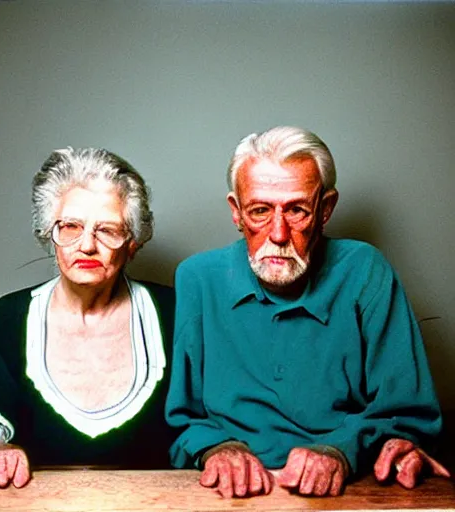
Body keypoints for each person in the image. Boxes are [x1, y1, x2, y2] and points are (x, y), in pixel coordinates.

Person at [165, 126, 450, 498]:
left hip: (346, 489)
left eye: (297, 210)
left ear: (325, 209)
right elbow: (182, 421)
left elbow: (409, 414)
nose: (279, 233)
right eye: (260, 211)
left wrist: (338, 451)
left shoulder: (365, 269)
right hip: (227, 493)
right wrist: (219, 449)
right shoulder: (197, 278)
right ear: (236, 212)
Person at [0, 147, 175, 490]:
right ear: (48, 233)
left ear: (132, 243)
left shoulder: (176, 311)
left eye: (107, 229)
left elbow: (213, 429)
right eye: (70, 226)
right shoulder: (11, 318)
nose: (86, 245)